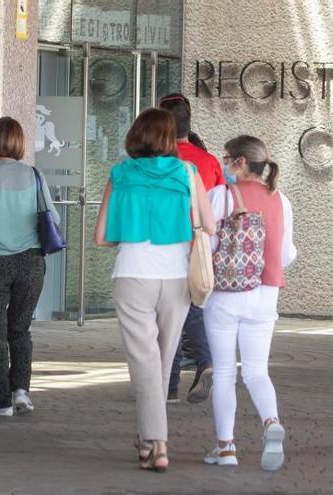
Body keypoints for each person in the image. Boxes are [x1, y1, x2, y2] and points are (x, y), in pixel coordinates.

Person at [94, 108, 215, 472]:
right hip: (177, 277)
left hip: (133, 274)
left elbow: (103, 237)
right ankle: (149, 439)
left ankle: (157, 444)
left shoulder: (120, 174)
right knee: (161, 362)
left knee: (145, 363)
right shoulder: (189, 173)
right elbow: (208, 224)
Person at [202, 135, 296, 471]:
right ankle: (271, 422)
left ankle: (226, 448)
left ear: (240, 162)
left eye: (227, 158)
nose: (224, 163)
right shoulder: (281, 200)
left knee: (225, 373)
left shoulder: (221, 196)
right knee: (257, 371)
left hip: (226, 295)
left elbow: (206, 245)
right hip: (266, 293)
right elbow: (286, 254)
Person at [0, 117, 59, 417]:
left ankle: (1, 402)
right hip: (31, 261)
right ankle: (21, 391)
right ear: (20, 142)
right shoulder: (34, 174)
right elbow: (54, 219)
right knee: (20, 328)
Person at [159, 93, 223, 404]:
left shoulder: (158, 163)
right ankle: (205, 363)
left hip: (166, 244)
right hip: (200, 244)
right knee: (193, 307)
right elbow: (219, 208)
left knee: (167, 315)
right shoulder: (208, 161)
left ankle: (169, 387)